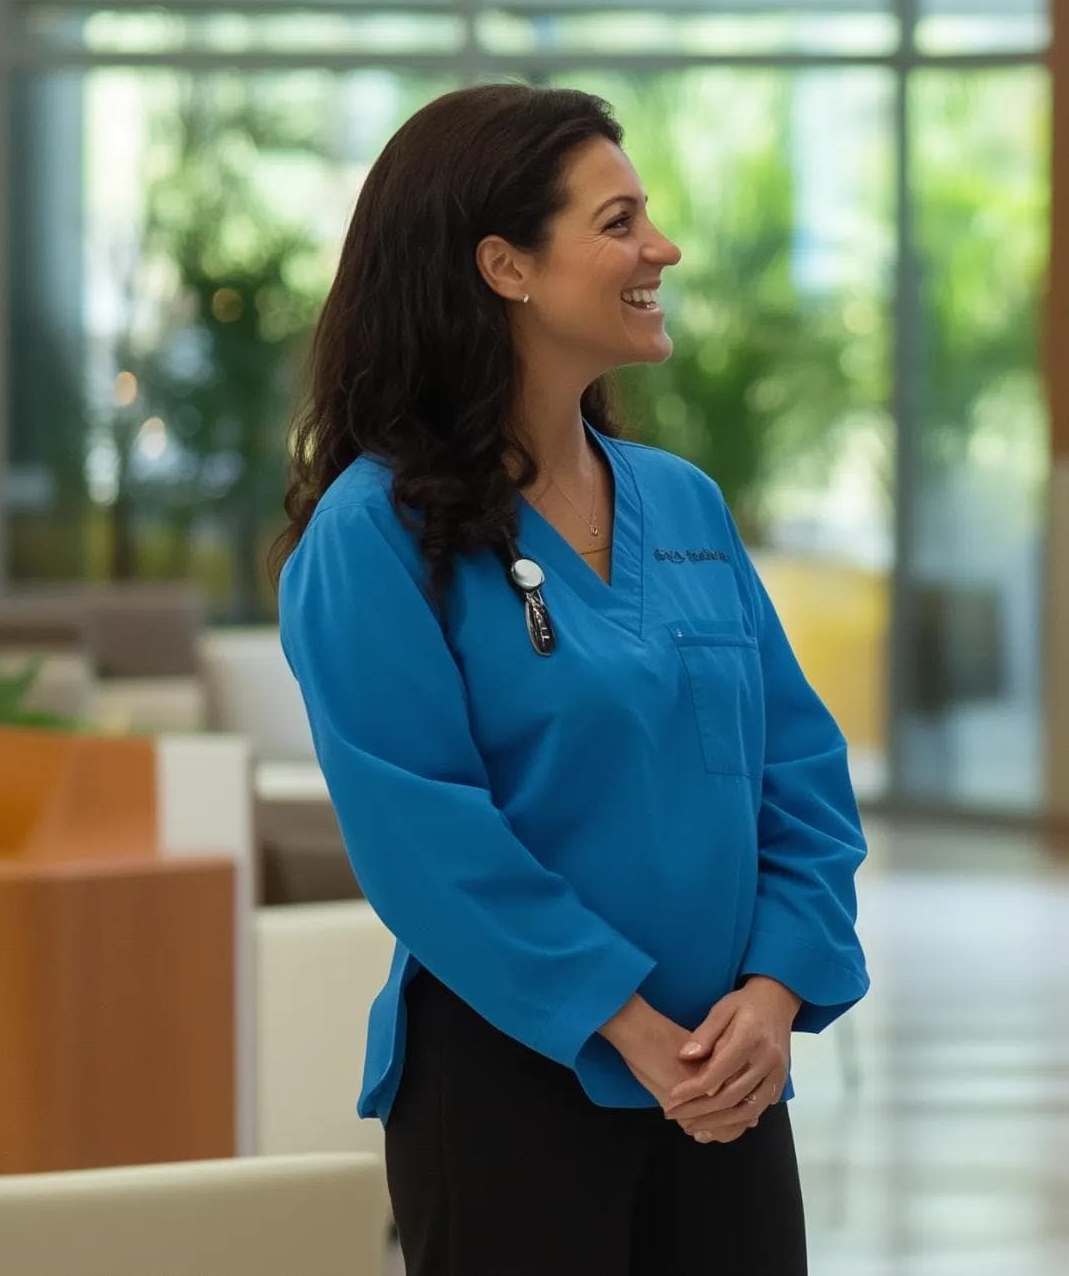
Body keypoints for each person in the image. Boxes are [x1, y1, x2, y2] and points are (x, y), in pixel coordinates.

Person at [274, 83, 868, 1276]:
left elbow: (797, 771)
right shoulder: (371, 535)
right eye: (617, 222)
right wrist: (631, 1027)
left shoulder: (683, 504)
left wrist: (772, 994)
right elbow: (425, 837)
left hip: (726, 1079)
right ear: (505, 266)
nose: (662, 248)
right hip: (511, 1085)